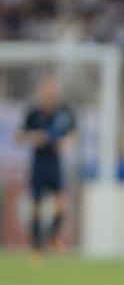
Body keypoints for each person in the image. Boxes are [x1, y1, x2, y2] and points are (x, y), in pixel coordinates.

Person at [17, 75, 75, 257]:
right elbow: (19, 136)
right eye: (47, 91)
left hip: (56, 161)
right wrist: (36, 138)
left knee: (61, 202)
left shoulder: (65, 112)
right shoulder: (33, 113)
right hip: (39, 162)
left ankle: (53, 238)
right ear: (41, 93)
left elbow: (73, 135)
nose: (50, 94)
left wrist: (66, 143)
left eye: (53, 91)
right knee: (36, 202)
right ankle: (35, 245)